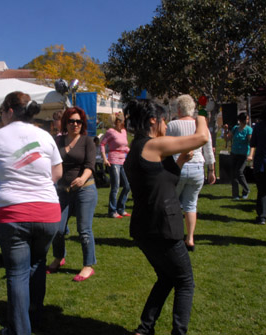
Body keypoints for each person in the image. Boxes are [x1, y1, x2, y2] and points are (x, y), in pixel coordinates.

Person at [123, 99, 208, 335]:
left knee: (166, 277)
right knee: (185, 281)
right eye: (163, 119)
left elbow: (163, 181)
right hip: (162, 226)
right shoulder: (154, 146)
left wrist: (179, 161)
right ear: (153, 120)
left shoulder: (138, 147)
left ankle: (144, 328)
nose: (166, 124)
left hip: (144, 227)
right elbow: (202, 137)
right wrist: (200, 112)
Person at [0, 92, 63, 335]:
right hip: (47, 212)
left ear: (8, 111)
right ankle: (34, 317)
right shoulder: (45, 136)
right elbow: (56, 173)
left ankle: (20, 330)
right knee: (37, 264)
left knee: (17, 273)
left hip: (12, 212)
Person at [46, 107, 98, 282]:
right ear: (65, 122)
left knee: (84, 229)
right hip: (62, 191)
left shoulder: (87, 141)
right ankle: (59, 257)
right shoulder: (58, 141)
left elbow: (90, 165)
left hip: (85, 189)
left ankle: (88, 265)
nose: (75, 124)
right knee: (57, 229)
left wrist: (82, 178)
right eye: (71, 121)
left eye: (78, 121)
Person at [166, 94, 216, 251]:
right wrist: (212, 170)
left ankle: (173, 235)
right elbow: (208, 149)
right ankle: (190, 238)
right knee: (191, 204)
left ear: (179, 109)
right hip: (197, 168)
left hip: (178, 167)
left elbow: (166, 147)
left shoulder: (173, 125)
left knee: (172, 203)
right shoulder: (201, 126)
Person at [100, 112, 131, 218]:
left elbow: (124, 147)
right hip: (113, 161)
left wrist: (131, 152)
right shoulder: (110, 132)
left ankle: (121, 208)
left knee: (127, 186)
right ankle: (112, 211)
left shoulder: (124, 132)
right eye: (123, 122)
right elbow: (102, 144)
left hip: (123, 161)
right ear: (118, 122)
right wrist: (105, 158)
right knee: (115, 187)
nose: (124, 124)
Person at [224, 112, 252, 200]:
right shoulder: (235, 128)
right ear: (241, 120)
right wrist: (226, 130)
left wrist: (251, 154)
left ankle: (246, 189)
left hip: (243, 154)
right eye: (246, 119)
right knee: (234, 175)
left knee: (239, 172)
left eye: (247, 119)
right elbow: (227, 139)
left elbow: (251, 143)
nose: (247, 121)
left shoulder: (248, 129)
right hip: (234, 153)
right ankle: (235, 194)